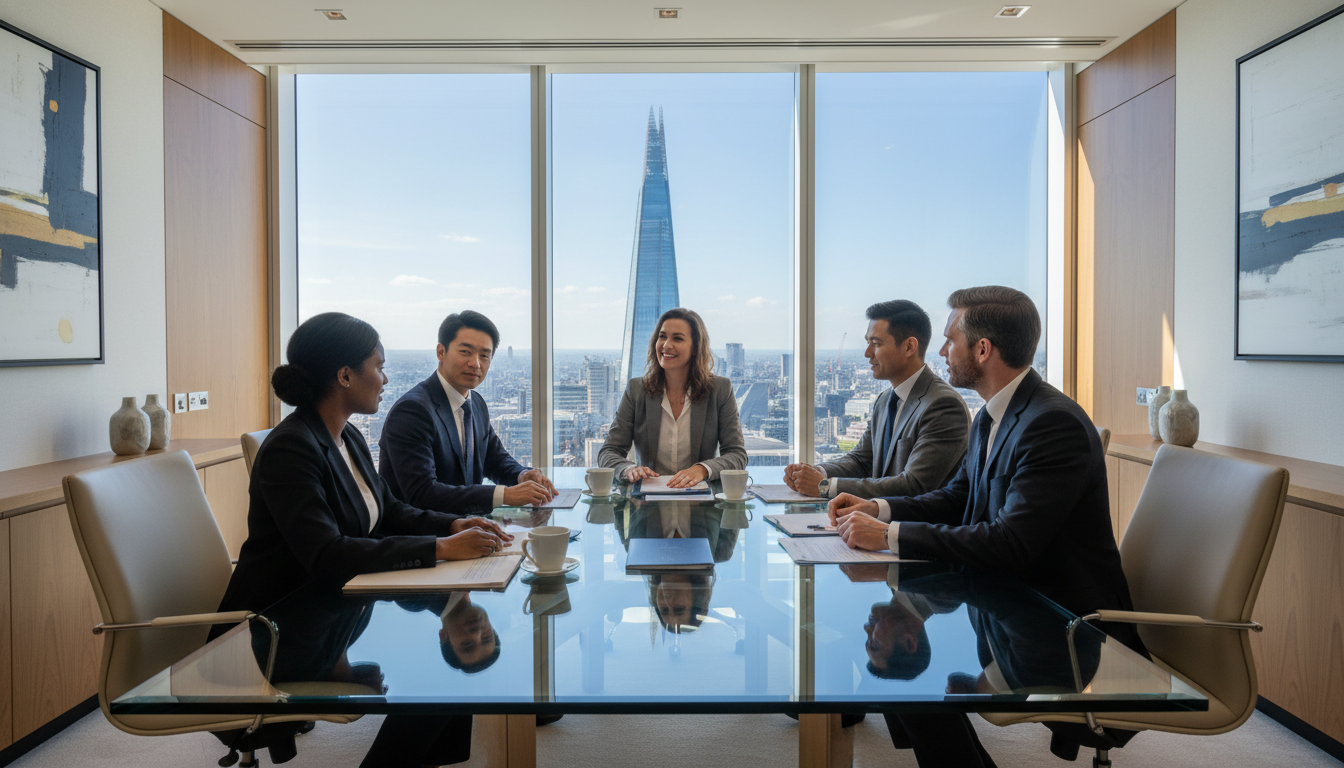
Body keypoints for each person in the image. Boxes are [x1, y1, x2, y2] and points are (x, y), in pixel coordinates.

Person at [828, 286, 1143, 768]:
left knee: (907, 673)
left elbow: (1010, 542)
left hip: (1062, 625)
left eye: (950, 339)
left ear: (982, 349)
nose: (941, 349)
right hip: (1002, 605)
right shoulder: (993, 414)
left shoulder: (1050, 423)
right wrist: (881, 510)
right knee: (904, 667)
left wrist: (888, 537)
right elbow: (958, 498)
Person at [217, 311, 512, 768]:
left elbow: (388, 509)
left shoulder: (346, 434)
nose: (385, 377)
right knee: (440, 678)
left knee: (442, 674)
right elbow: (327, 554)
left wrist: (450, 526)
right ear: (344, 375)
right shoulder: (291, 448)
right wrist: (439, 549)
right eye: (378, 366)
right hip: (279, 631)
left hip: (337, 610)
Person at [784, 299, 969, 500]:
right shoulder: (885, 400)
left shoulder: (943, 406)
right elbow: (862, 460)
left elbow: (914, 485)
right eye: (868, 343)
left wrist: (825, 486)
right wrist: (817, 472)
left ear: (909, 347)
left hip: (912, 528)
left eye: (876, 344)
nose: (867, 353)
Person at [379, 310, 556, 513]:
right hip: (423, 538)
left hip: (467, 529)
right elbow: (422, 493)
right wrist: (504, 496)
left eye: (484, 355)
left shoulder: (476, 402)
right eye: (465, 352)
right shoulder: (412, 411)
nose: (475, 363)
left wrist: (522, 475)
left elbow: (493, 458)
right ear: (441, 352)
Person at [599, 308, 748, 487]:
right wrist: (627, 469)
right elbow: (609, 451)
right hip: (649, 503)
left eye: (678, 338)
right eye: (662, 336)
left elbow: (737, 455)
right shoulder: (637, 390)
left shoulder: (720, 390)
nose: (666, 345)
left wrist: (702, 469)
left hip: (701, 503)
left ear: (695, 348)